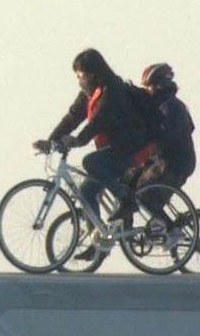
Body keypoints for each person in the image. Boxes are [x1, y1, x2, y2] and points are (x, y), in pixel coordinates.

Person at [35, 48, 149, 262]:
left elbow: (100, 120)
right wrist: (51, 140)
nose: (78, 79)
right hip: (114, 149)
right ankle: (99, 242)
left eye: (80, 74)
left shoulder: (113, 90)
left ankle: (126, 198)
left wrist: (78, 140)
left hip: (132, 147)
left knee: (90, 161)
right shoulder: (89, 92)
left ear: (93, 72)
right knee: (86, 191)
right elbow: (72, 117)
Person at [129, 62, 196, 194]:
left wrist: (147, 137)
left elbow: (167, 135)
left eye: (149, 86)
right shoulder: (157, 106)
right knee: (127, 182)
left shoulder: (171, 106)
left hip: (174, 162)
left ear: (159, 85)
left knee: (144, 193)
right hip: (159, 160)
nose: (147, 90)